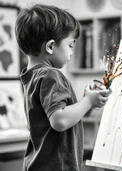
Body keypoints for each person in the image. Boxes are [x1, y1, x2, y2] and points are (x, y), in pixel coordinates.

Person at [15, 4, 110, 171]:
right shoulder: (50, 75)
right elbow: (60, 120)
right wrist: (87, 101)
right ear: (51, 46)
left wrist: (86, 102)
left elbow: (59, 114)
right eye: (71, 45)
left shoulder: (31, 76)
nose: (72, 52)